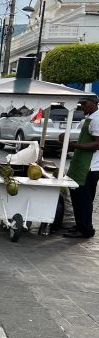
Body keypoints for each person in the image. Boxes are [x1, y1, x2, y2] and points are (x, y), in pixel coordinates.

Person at [64, 96, 99, 239]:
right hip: (82, 166)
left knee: (84, 200)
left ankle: (86, 229)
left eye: (84, 104)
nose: (82, 106)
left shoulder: (97, 119)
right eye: (81, 104)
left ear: (95, 104)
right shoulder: (90, 119)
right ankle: (80, 225)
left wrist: (74, 145)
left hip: (89, 167)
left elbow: (97, 144)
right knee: (78, 198)